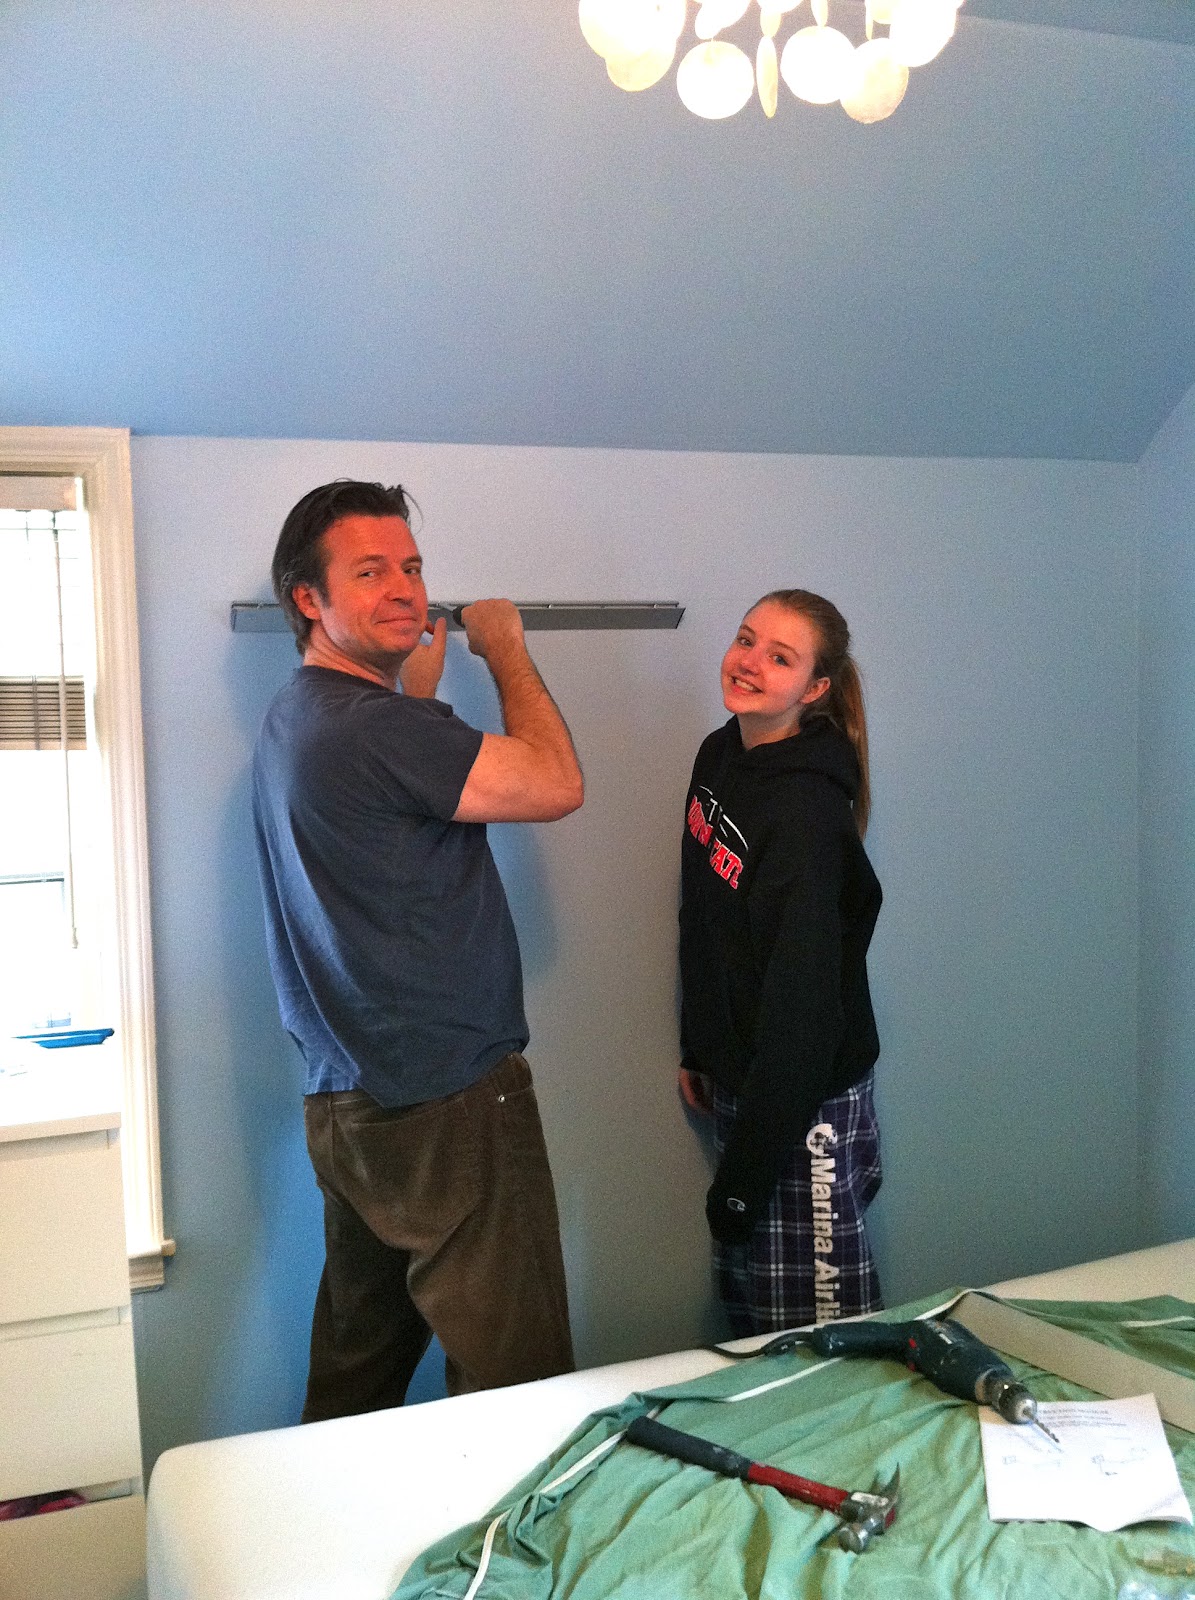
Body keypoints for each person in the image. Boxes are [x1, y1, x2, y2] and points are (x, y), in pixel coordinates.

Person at [252, 478, 583, 1420]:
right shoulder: (379, 729)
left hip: (352, 1105)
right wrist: (506, 647)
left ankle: (320, 1517)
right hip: (448, 1103)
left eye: (411, 567)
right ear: (308, 600)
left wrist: (421, 699)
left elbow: (391, 793)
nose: (402, 588)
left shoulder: (298, 716)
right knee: (515, 1387)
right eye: (369, 573)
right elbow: (554, 782)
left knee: (356, 1376)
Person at [677, 588, 883, 1335]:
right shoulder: (719, 755)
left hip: (805, 1105)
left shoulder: (804, 814)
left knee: (819, 1346)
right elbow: (702, 915)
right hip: (747, 1081)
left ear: (815, 688)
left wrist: (740, 1185)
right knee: (756, 1324)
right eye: (745, 640)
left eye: (780, 657)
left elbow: (803, 1013)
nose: (749, 662)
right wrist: (699, 1044)